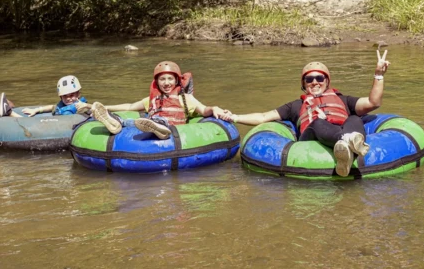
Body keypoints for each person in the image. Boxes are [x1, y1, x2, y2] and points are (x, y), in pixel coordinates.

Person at [222, 49, 391, 177]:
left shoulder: (344, 100)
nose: (315, 82)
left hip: (341, 133)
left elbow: (373, 102)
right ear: (304, 84)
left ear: (327, 81)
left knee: (354, 117)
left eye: (319, 78)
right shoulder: (296, 105)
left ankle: (347, 147)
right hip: (311, 136)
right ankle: (347, 142)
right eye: (309, 79)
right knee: (317, 122)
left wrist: (378, 75)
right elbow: (264, 117)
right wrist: (235, 117)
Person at [90, 61, 228, 139]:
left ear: (176, 81)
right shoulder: (152, 99)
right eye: (162, 79)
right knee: (129, 121)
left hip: (171, 128)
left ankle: (158, 127)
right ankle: (115, 122)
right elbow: (130, 107)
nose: (166, 83)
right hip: (151, 123)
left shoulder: (186, 98)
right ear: (156, 82)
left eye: (170, 79)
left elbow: (203, 110)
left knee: (159, 122)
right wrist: (106, 107)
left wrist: (214, 108)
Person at [20, 75, 91, 117]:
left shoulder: (82, 106)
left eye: (71, 95)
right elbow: (52, 107)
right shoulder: (62, 106)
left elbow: (95, 108)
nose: (68, 98)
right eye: (65, 96)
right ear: (60, 97)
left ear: (78, 94)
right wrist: (36, 110)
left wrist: (86, 105)